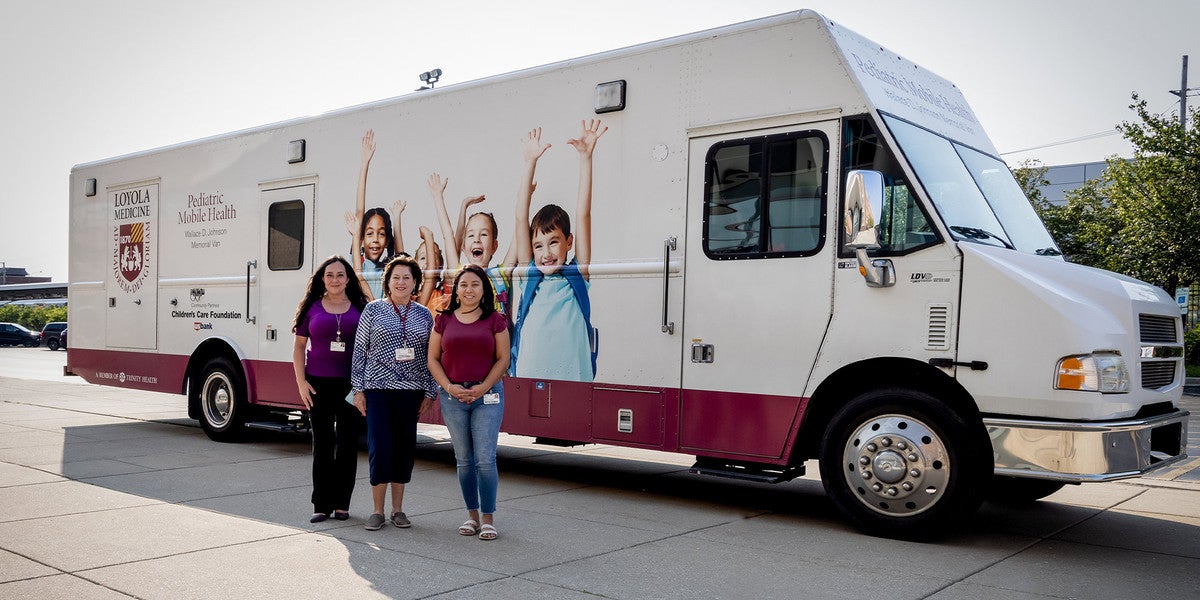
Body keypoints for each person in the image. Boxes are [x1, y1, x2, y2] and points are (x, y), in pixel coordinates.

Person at [509, 120, 606, 381]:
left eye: (553, 242)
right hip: (530, 377)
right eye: (538, 246)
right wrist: (530, 162)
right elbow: (520, 217)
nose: (546, 253)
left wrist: (586, 158)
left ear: (569, 241)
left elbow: (583, 214)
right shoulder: (530, 275)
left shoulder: (577, 275)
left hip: (574, 378)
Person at [350, 256, 438, 531]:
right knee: (379, 448)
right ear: (387, 282)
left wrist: (430, 392)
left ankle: (397, 510)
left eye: (407, 278)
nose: (401, 282)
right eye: (396, 277)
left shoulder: (424, 314)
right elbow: (359, 351)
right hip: (377, 391)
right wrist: (358, 390)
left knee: (404, 449)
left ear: (415, 282)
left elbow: (431, 356)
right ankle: (377, 511)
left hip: (411, 393)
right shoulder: (373, 310)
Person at [427, 264, 511, 541]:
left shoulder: (495, 320)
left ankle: (488, 518)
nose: (469, 290)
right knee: (464, 460)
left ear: (484, 289)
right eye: (463, 284)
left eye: (475, 284)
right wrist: (449, 386)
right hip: (453, 396)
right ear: (456, 290)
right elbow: (433, 359)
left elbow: (503, 359)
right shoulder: (443, 320)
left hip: (487, 396)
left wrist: (482, 387)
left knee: (485, 459)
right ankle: (472, 515)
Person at [291, 256, 368, 523]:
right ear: (322, 279)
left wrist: (364, 387)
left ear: (348, 279)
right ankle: (321, 505)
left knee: (348, 445)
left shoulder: (361, 308)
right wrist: (301, 383)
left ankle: (342, 504)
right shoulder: (311, 307)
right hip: (317, 384)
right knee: (322, 445)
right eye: (329, 275)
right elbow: (299, 347)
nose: (335, 279)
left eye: (340, 274)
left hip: (351, 385)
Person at [346, 129, 405, 300]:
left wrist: (397, 218)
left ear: (387, 241)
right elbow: (359, 211)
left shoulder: (388, 269)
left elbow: (401, 257)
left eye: (381, 234)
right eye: (370, 233)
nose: (375, 239)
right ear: (362, 239)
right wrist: (365, 163)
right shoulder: (359, 264)